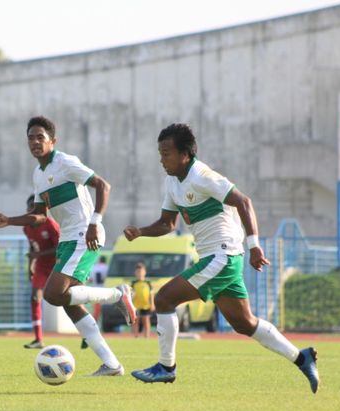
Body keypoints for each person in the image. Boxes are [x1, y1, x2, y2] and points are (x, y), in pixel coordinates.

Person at [124, 123, 320, 393]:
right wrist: (141, 232)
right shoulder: (172, 182)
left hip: (223, 255)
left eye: (166, 153)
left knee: (163, 298)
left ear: (186, 154)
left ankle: (166, 368)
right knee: (244, 323)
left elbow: (244, 202)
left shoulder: (202, 175)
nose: (162, 160)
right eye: (160, 153)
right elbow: (167, 224)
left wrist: (255, 246)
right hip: (219, 258)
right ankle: (302, 357)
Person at [0, 115, 136, 376]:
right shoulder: (39, 173)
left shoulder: (65, 163)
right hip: (68, 239)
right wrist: (9, 220)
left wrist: (95, 221)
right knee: (71, 304)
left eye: (40, 137)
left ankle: (117, 295)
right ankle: (112, 364)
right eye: (31, 138)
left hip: (84, 234)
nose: (35, 142)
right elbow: (40, 215)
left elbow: (103, 185)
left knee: (51, 294)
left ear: (52, 141)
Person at [22, 194, 60, 349]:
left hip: (57, 266)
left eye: (35, 207)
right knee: (34, 297)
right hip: (41, 267)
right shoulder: (26, 227)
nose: (32, 210)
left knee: (66, 300)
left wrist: (37, 255)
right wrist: (30, 266)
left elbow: (59, 249)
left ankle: (86, 332)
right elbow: (32, 248)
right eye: (30, 207)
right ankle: (38, 339)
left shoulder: (50, 225)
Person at [131, 262, 154, 338]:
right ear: (135, 273)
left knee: (146, 321)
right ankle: (136, 336)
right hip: (136, 305)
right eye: (138, 272)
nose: (139, 273)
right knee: (136, 321)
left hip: (146, 305)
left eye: (141, 272)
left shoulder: (148, 283)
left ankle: (147, 337)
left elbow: (151, 294)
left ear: (144, 272)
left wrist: (152, 304)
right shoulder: (133, 283)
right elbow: (130, 295)